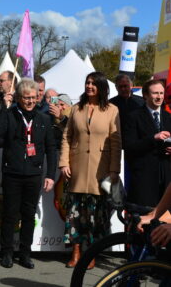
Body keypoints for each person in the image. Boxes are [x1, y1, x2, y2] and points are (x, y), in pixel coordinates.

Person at [0, 78, 57, 269]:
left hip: (34, 174)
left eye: (33, 97)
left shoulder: (44, 119)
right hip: (12, 172)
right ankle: (6, 252)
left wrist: (50, 175)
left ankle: (25, 253)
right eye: (26, 98)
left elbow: (51, 149)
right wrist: (4, 107)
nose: (30, 101)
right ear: (19, 98)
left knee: (28, 215)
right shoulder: (10, 114)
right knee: (10, 214)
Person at [59, 72, 121, 269]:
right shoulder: (76, 108)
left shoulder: (112, 110)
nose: (89, 86)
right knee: (75, 213)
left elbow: (116, 142)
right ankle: (76, 252)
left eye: (94, 83)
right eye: (87, 82)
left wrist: (114, 170)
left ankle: (90, 253)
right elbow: (67, 136)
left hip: (100, 170)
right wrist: (64, 163)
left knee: (96, 215)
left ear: (101, 87)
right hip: (76, 168)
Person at [123, 79, 171, 207]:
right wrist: (153, 138)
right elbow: (129, 147)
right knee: (145, 222)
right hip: (145, 181)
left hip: (167, 180)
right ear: (145, 95)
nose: (159, 97)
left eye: (161, 93)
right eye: (155, 93)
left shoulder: (168, 117)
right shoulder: (134, 117)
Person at [109, 74, 144, 141]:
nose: (123, 89)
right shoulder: (110, 104)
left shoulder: (141, 102)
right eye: (120, 86)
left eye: (125, 86)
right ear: (116, 87)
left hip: (137, 140)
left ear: (131, 86)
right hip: (117, 139)